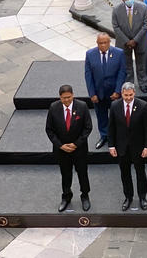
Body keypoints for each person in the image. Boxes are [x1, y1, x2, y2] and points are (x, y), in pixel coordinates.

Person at [45, 84, 92, 212]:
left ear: (73, 95)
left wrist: (76, 144)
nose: (66, 100)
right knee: (65, 174)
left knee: (82, 173)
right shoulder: (54, 107)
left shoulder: (82, 106)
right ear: (60, 97)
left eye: (69, 97)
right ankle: (66, 196)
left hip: (79, 149)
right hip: (62, 150)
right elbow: (49, 129)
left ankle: (85, 195)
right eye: (64, 98)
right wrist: (60, 145)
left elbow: (88, 127)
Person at [108, 82, 147, 211]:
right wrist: (111, 146)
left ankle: (142, 197)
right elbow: (111, 127)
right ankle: (128, 197)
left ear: (134, 93)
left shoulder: (143, 106)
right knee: (125, 174)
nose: (128, 98)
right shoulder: (115, 106)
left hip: (138, 147)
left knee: (140, 173)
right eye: (126, 95)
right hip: (121, 148)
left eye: (130, 95)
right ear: (121, 94)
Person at [84, 32, 126, 149]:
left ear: (109, 42)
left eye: (105, 42)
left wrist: (117, 91)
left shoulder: (119, 53)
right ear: (97, 43)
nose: (103, 45)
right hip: (99, 93)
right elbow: (88, 75)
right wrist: (92, 93)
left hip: (114, 93)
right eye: (100, 43)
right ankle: (104, 136)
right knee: (101, 116)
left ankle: (116, 137)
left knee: (117, 116)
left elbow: (122, 73)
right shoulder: (90, 54)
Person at [111, 0, 147, 92]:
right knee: (126, 65)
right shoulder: (116, 10)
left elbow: (146, 25)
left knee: (141, 64)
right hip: (124, 43)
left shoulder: (143, 7)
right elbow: (115, 27)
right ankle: (129, 85)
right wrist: (127, 41)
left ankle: (142, 83)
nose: (129, 1)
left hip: (140, 41)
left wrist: (135, 40)